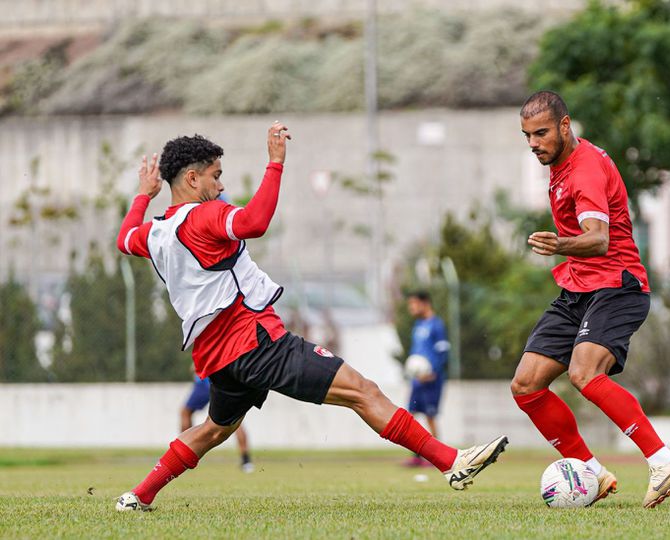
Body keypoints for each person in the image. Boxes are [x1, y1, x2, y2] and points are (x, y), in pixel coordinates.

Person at [113, 122, 507, 512]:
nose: (220, 186)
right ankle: (451, 462)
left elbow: (123, 238)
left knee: (216, 428)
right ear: (193, 178)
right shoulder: (205, 216)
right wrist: (275, 163)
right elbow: (255, 223)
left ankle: (139, 495)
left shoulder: (157, 232)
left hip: (218, 357)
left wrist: (143, 196)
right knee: (362, 391)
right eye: (216, 177)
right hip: (255, 342)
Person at [512, 91, 670, 509]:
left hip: (617, 286)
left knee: (585, 372)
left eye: (541, 133)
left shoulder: (584, 169)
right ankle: (588, 470)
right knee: (526, 385)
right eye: (527, 136)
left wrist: (560, 244)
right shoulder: (558, 166)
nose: (534, 143)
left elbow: (598, 238)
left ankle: (663, 459)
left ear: (565, 125)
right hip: (578, 289)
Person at [403, 290, 449, 467]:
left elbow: (443, 351)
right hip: (417, 380)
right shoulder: (418, 325)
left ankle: (437, 456)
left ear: (425, 303)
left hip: (432, 379)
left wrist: (433, 372)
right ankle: (415, 456)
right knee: (411, 417)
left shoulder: (436, 325)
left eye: (413, 304)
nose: (411, 308)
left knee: (430, 416)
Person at [180, 375, 254, 473]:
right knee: (234, 419)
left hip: (207, 379)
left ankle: (183, 456)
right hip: (223, 379)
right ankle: (246, 460)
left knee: (185, 412)